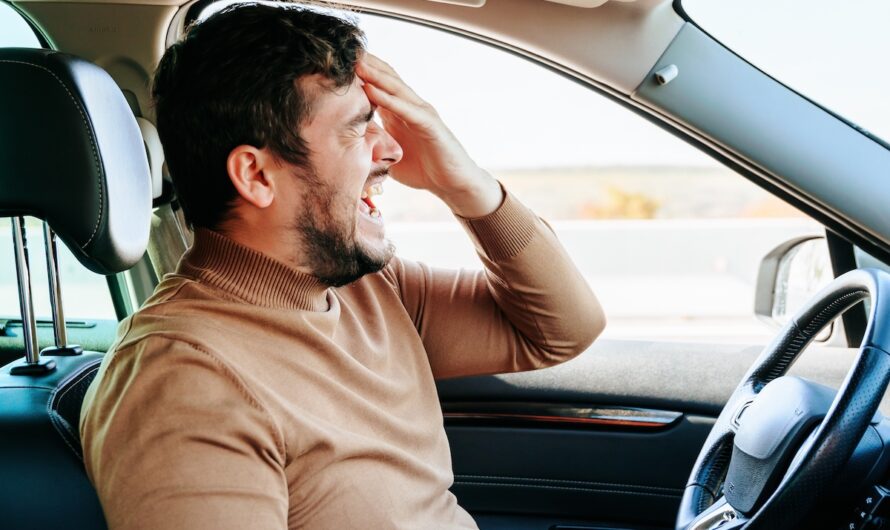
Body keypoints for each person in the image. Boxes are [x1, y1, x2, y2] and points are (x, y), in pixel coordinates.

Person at [79, 3, 605, 529]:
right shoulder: (183, 379)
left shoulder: (371, 289)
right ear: (257, 175)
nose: (395, 151)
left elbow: (560, 331)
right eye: (358, 129)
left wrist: (466, 185)